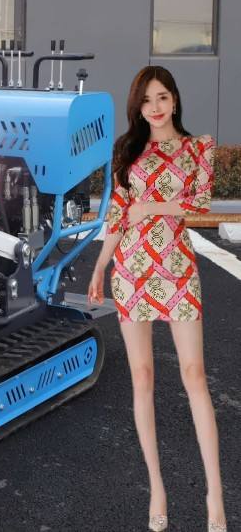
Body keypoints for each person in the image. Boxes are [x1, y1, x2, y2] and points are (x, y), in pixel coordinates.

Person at [87, 65, 226, 532]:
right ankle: (157, 489)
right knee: (142, 377)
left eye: (162, 97)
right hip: (132, 269)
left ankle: (214, 496)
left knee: (194, 375)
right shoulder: (127, 150)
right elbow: (119, 214)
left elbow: (201, 202)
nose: (155, 107)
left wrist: (153, 206)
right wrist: (101, 264)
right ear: (138, 107)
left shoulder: (197, 147)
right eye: (146, 100)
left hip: (178, 267)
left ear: (175, 99)